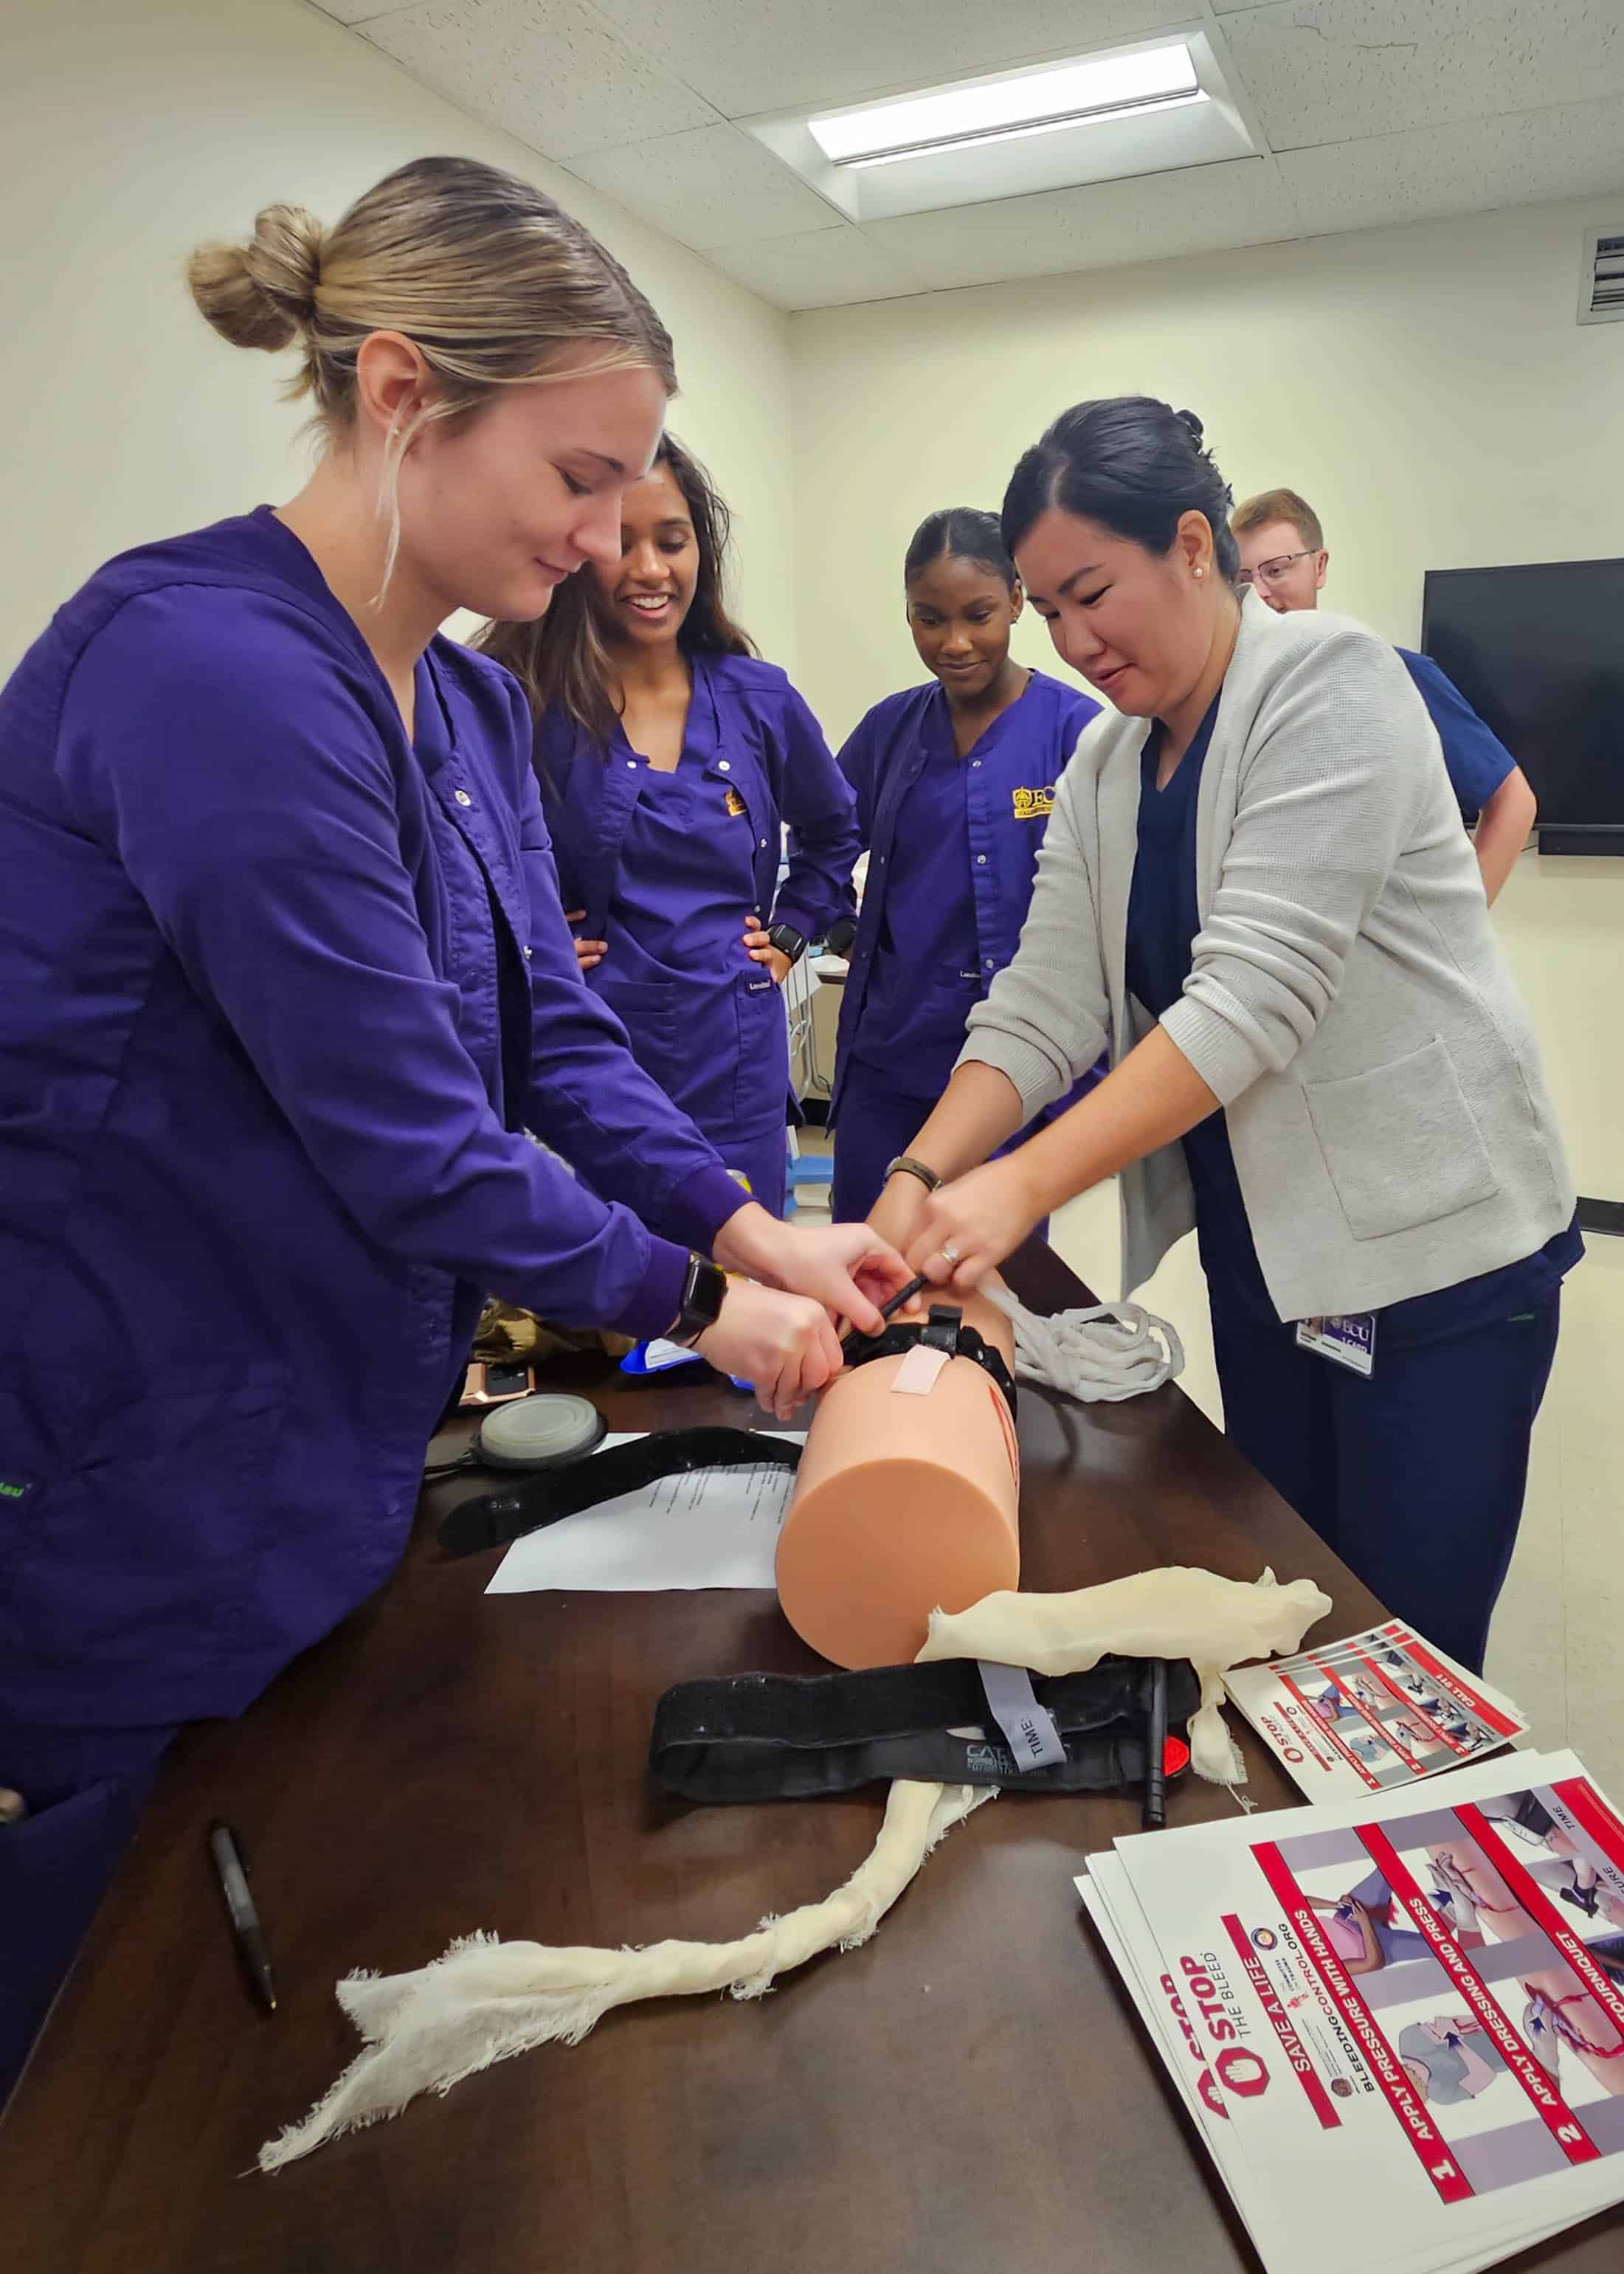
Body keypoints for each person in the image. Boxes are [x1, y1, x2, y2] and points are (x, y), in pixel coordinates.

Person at [0, 157, 909, 2101]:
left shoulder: (475, 719)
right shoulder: (210, 674)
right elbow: (410, 1136)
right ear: (405, 399)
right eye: (578, 477)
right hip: (123, 1457)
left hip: (318, 1436)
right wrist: (693, 1298)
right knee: (103, 2038)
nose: (606, 538)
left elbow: (551, 1048)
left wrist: (756, 1235)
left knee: (283, 1951)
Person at [868, 396, 1581, 1677]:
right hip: (1274, 1256)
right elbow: (1041, 1001)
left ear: (1193, 543)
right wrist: (917, 1178)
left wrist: (1015, 1185)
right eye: (1049, 612)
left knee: (1402, 1648)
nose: (1074, 641)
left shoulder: (1333, 684)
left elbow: (1251, 998)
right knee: (1288, 1603)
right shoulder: (1106, 768)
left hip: (1435, 1264)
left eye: (1094, 593)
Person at [480, 438, 857, 1222]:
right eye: (621, 541)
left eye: (672, 541)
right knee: (612, 1297)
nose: (649, 569)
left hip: (734, 1047)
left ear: (700, 553)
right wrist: (535, 949)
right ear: (579, 551)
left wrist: (788, 937)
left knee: (744, 1281)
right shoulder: (527, 701)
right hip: (591, 1049)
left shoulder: (758, 699)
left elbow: (832, 831)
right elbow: (467, 861)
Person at [826, 508, 1102, 1223]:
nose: (954, 643)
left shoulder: (1077, 733)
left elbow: (1115, 911)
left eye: (977, 614)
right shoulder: (889, 730)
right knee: (865, 1277)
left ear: (1016, 598)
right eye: (928, 619)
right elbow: (822, 837)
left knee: (992, 1292)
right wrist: (834, 933)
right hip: (889, 1061)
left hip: (1013, 1074)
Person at [1230, 488, 1537, 904]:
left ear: (1319, 566)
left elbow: (1513, 802)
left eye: (1277, 570)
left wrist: (1463, 927)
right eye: (1244, 579)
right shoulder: (1236, 697)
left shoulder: (1393, 673)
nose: (1261, 593)